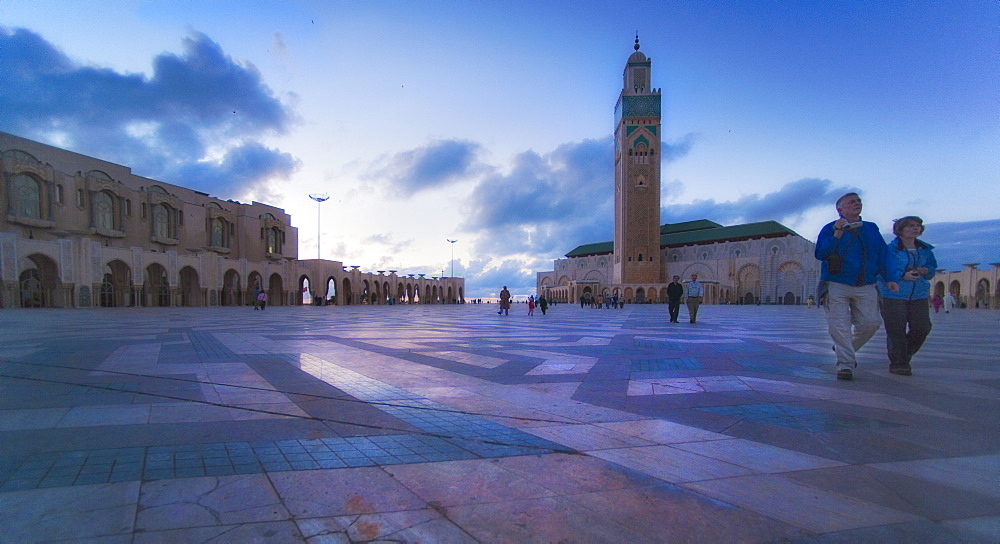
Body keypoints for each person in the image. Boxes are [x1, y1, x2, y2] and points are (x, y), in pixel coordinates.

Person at [815, 192, 899, 381]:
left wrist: (890, 278)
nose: (857, 204)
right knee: (839, 326)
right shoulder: (830, 228)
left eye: (858, 201)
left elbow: (882, 254)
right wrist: (837, 233)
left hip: (866, 283)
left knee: (871, 323)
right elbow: (821, 253)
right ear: (840, 210)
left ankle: (844, 348)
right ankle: (845, 365)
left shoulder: (870, 229)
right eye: (851, 202)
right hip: (837, 283)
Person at [878, 216, 937, 376]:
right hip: (894, 294)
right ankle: (899, 363)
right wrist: (901, 275)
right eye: (911, 226)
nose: (915, 228)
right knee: (896, 330)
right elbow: (881, 271)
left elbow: (932, 269)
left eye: (918, 225)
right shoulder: (890, 249)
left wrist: (926, 271)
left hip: (918, 293)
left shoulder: (925, 250)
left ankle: (904, 354)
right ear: (900, 230)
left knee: (922, 327)